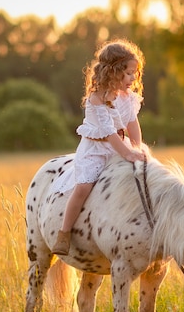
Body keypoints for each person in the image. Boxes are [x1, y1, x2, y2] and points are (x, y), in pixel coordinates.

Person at [52, 39, 147, 255]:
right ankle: (64, 233)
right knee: (83, 188)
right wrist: (127, 153)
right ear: (113, 72)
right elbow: (109, 133)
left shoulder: (128, 98)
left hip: (119, 146)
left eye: (135, 73)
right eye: (129, 73)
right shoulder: (96, 100)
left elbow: (132, 123)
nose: (133, 78)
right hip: (95, 151)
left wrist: (137, 148)